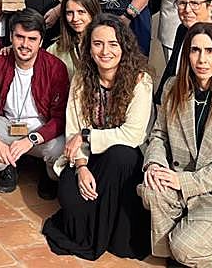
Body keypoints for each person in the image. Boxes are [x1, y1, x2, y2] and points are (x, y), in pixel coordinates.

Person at [141, 22, 212, 268]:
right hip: (177, 180)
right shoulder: (173, 87)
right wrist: (154, 164)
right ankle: (174, 252)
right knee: (151, 188)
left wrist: (183, 182)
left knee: (186, 247)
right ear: (187, 55)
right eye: (195, 50)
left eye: (210, 51)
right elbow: (159, 135)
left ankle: (196, 247)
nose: (202, 59)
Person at [43, 16, 152, 261]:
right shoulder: (82, 80)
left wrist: (86, 135)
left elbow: (132, 135)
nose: (105, 51)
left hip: (122, 163)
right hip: (87, 159)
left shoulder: (140, 81)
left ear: (124, 47)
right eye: (98, 43)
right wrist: (81, 168)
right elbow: (73, 130)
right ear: (89, 47)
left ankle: (115, 234)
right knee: (72, 205)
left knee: (121, 155)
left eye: (113, 44)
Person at [0, 9, 69, 198]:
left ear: (41, 41)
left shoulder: (55, 67)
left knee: (61, 147)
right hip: (8, 125)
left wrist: (31, 140)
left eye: (32, 39)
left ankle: (49, 176)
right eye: (20, 37)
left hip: (39, 131)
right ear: (11, 36)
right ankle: (5, 168)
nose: (25, 44)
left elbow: (60, 118)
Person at [47, 0, 101, 75]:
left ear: (92, 11)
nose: (75, 18)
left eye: (81, 12)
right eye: (69, 13)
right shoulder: (54, 50)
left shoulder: (108, 45)